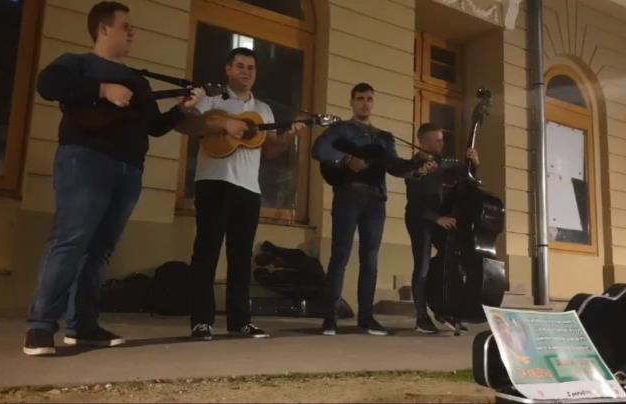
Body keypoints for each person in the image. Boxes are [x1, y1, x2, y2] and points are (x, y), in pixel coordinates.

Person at [23, 1, 204, 356]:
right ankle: (40, 326)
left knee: (100, 250)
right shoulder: (77, 63)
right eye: (126, 26)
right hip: (85, 159)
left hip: (129, 168)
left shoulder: (138, 80)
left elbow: (153, 127)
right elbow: (48, 84)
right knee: (70, 240)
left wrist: (182, 109)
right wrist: (102, 90)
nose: (133, 32)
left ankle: (83, 326)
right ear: (103, 29)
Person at [177, 47, 306, 341]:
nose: (246, 71)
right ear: (228, 69)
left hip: (248, 189)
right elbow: (187, 125)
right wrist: (224, 123)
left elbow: (270, 149)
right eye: (240, 66)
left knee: (241, 256)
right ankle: (202, 321)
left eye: (251, 67)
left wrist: (288, 138)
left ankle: (240, 321)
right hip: (213, 182)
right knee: (207, 252)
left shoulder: (263, 110)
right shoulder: (211, 99)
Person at [312, 82, 425, 336]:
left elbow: (394, 166)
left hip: (376, 201)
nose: (365, 103)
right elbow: (319, 150)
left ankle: (366, 318)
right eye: (360, 98)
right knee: (340, 255)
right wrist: (346, 160)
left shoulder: (383, 137)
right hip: (347, 196)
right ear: (352, 102)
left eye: (369, 99)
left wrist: (416, 168)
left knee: (371, 260)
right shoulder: (340, 129)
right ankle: (329, 317)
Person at [404, 123, 479, 334]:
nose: (442, 144)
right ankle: (421, 317)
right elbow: (416, 203)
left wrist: (473, 163)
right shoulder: (413, 166)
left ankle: (444, 309)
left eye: (442, 140)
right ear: (423, 142)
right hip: (421, 219)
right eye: (437, 140)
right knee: (423, 266)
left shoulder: (441, 163)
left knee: (448, 263)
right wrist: (437, 218)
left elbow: (465, 178)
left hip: (440, 218)